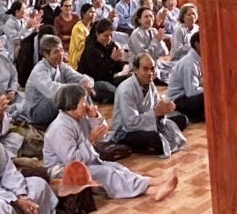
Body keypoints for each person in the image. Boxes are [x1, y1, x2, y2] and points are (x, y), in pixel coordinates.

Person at [43, 84, 177, 201]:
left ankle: (153, 189)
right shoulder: (60, 128)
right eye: (83, 102)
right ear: (72, 106)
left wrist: (95, 117)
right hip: (63, 171)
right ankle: (153, 183)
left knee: (116, 167)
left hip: (83, 162)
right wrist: (90, 141)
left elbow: (103, 133)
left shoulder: (80, 118)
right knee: (106, 172)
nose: (87, 104)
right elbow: (71, 161)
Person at [112, 53, 189, 157]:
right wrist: (156, 113)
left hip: (148, 124)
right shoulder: (126, 90)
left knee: (183, 119)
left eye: (152, 69)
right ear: (135, 70)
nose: (150, 73)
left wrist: (164, 110)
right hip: (125, 131)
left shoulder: (150, 84)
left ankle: (152, 143)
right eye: (145, 69)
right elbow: (131, 123)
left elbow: (157, 108)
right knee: (155, 139)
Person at [24, 34, 94, 126]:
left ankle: (91, 118)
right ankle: (84, 122)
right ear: (46, 54)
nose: (61, 54)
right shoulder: (39, 71)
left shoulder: (61, 66)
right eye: (56, 51)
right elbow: (52, 91)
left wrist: (86, 82)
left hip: (52, 102)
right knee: (71, 95)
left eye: (61, 50)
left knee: (82, 89)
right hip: (37, 110)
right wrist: (78, 88)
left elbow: (77, 76)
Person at [166, 30, 206, 122]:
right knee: (207, 96)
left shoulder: (198, 59)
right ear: (197, 44)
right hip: (178, 101)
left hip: (187, 97)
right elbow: (191, 92)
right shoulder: (190, 63)